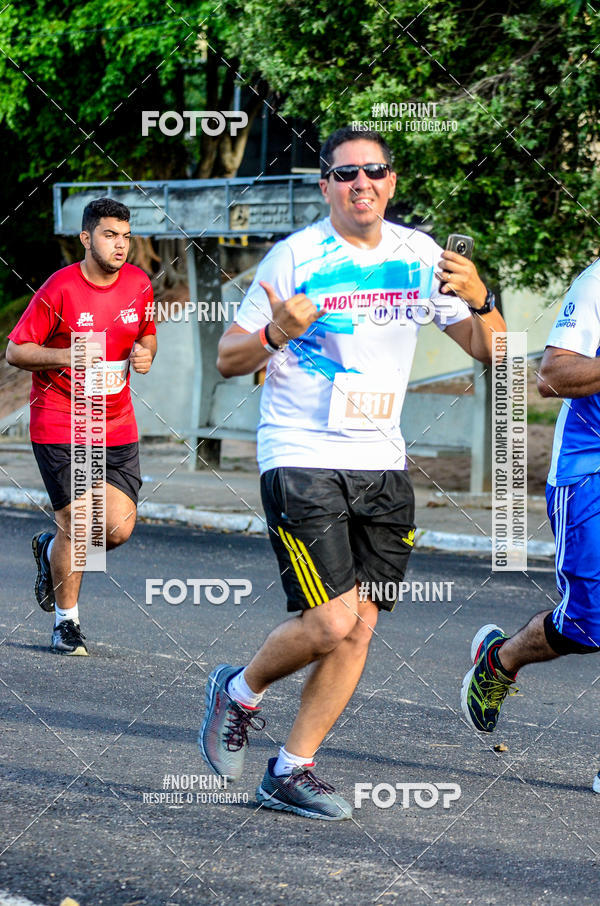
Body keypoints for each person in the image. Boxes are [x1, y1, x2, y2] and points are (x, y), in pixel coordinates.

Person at [199, 125, 505, 820]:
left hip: (383, 462)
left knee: (361, 627)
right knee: (331, 620)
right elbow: (228, 359)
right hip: (302, 454)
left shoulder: (421, 254)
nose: (361, 183)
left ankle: (290, 770)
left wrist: (483, 297)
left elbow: (491, 351)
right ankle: (239, 691)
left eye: (374, 171)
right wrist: (277, 333)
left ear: (391, 182)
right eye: (345, 174)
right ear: (325, 186)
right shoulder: (295, 257)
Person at [461, 260, 600, 760]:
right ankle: (500, 660)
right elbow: (553, 375)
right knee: (591, 623)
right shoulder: (597, 283)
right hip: (591, 468)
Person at [6, 197, 156, 655]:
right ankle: (65, 624)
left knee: (117, 530)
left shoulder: (139, 284)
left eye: (126, 236)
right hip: (61, 421)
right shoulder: (60, 289)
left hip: (117, 424)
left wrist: (146, 353)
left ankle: (51, 549)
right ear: (87, 238)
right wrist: (64, 355)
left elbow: (146, 335)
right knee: (83, 523)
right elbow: (16, 351)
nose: (120, 245)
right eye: (110, 235)